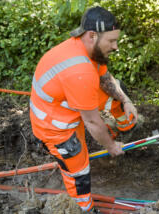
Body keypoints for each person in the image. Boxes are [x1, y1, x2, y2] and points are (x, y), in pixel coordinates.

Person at [29, 6, 138, 212]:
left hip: (68, 103)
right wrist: (111, 147)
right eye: (112, 41)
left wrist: (126, 101)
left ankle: (125, 125)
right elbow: (92, 122)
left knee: (117, 91)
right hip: (55, 127)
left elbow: (105, 79)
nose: (116, 47)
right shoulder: (78, 70)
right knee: (79, 173)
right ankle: (83, 208)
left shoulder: (88, 50)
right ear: (92, 35)